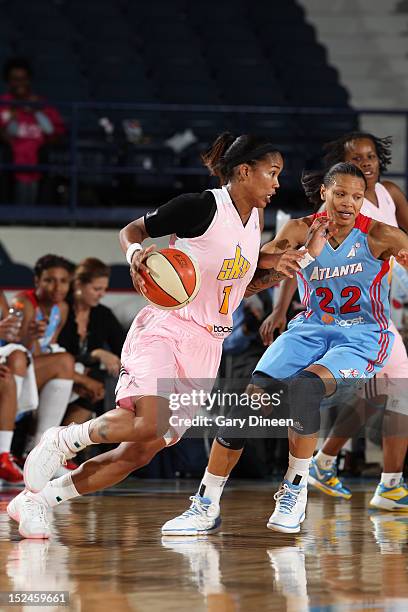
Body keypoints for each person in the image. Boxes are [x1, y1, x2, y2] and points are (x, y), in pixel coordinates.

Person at [6, 132, 303, 539]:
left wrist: (273, 274)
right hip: (167, 327)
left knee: (141, 451)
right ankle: (63, 439)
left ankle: (39, 500)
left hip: (207, 345)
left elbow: (235, 289)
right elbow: (133, 230)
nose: (276, 184)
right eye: (271, 174)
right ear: (244, 171)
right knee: (148, 422)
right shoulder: (202, 206)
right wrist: (135, 255)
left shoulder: (254, 222)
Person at [161, 161, 408, 536]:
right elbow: (253, 271)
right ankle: (205, 504)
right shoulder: (298, 229)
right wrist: (280, 270)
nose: (348, 203)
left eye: (357, 197)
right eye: (340, 193)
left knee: (304, 389)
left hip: (362, 336)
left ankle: (294, 491)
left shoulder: (381, 235)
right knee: (243, 407)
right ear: (323, 193)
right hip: (308, 328)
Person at [263, 133, 408, 511]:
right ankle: (379, 480)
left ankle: (326, 463)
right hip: (351, 316)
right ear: (331, 184)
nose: (366, 162)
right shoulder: (317, 222)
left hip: (385, 300)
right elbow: (301, 264)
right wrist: (281, 310)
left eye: (371, 156)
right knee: (391, 393)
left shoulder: (390, 196)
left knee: (379, 394)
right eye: (357, 157)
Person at [13, 254, 103, 452]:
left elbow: (49, 350)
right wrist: (82, 379)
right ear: (37, 281)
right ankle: (42, 449)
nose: (57, 287)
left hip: (37, 372)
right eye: (49, 280)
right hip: (14, 374)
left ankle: (41, 447)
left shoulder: (60, 309)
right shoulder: (24, 302)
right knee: (67, 363)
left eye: (63, 281)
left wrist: (80, 377)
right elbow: (27, 354)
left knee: (76, 369)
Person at [58, 257, 125, 426]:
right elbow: (54, 353)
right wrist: (95, 354)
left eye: (104, 289)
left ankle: (63, 442)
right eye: (96, 288)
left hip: (89, 382)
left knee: (103, 381)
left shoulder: (103, 315)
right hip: (60, 374)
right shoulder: (60, 309)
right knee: (95, 382)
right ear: (78, 284)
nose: (102, 294)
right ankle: (59, 443)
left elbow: (124, 349)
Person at [0, 57, 65, 205]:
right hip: (9, 160)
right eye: (15, 79)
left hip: (38, 161)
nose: (19, 84)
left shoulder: (41, 105)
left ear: (29, 80)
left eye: (23, 79)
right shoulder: (3, 104)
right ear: (8, 81)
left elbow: (57, 135)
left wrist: (37, 112)